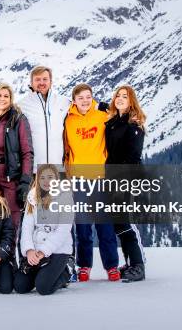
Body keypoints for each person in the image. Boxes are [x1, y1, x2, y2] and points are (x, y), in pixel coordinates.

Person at [64, 83, 120, 282]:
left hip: (100, 178)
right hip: (78, 180)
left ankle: (112, 266)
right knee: (83, 227)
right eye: (81, 98)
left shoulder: (102, 116)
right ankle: (84, 266)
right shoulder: (68, 120)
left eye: (88, 97)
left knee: (105, 226)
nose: (85, 101)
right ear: (74, 100)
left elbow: (121, 120)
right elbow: (66, 148)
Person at [105, 85, 147, 282]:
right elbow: (102, 107)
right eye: (118, 96)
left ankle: (138, 264)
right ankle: (130, 263)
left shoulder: (134, 125)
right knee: (118, 223)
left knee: (124, 221)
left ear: (132, 101)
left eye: (125, 97)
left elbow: (133, 157)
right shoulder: (113, 120)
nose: (120, 99)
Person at [14, 164, 74, 295]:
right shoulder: (32, 197)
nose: (46, 181)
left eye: (50, 177)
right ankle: (42, 271)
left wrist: (42, 251)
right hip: (36, 248)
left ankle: (65, 273)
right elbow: (27, 227)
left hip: (58, 250)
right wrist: (29, 250)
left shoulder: (65, 199)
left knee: (43, 287)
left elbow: (62, 232)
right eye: (42, 178)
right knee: (20, 286)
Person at [0, 83, 34, 228]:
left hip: (11, 177)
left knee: (12, 222)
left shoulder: (18, 119)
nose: (2, 99)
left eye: (6, 96)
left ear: (11, 99)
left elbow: (27, 152)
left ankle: (10, 251)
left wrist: (24, 182)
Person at [18, 66, 71, 170]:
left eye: (45, 79)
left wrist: (100, 106)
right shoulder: (22, 105)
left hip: (58, 168)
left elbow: (83, 105)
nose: (41, 83)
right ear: (31, 82)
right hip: (33, 169)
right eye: (37, 79)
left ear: (51, 81)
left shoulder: (64, 102)